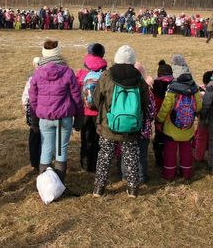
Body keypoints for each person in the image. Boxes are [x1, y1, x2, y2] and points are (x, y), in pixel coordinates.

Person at [91, 45, 149, 197]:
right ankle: (133, 189)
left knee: (105, 155)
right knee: (131, 155)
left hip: (108, 124)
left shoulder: (106, 76)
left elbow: (97, 98)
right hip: (132, 125)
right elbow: (145, 102)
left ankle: (99, 188)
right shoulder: (139, 79)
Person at [27, 39, 83, 183]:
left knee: (46, 149)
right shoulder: (67, 72)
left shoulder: (37, 73)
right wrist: (79, 116)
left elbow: (32, 99)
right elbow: (76, 97)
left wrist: (34, 119)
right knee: (60, 150)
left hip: (46, 119)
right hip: (63, 118)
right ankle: (58, 183)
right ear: (58, 53)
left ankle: (46, 184)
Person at [156, 54, 201, 182]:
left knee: (170, 151)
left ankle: (169, 174)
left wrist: (159, 119)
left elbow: (166, 107)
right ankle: (186, 173)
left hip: (171, 128)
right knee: (186, 150)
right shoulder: (194, 87)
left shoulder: (172, 88)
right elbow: (198, 106)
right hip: (188, 127)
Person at [76, 43, 107, 172]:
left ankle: (85, 163)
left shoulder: (82, 73)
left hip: (85, 112)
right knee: (98, 138)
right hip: (100, 112)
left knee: (85, 138)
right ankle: (96, 164)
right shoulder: (105, 74)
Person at [21, 57, 42, 170]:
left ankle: (35, 162)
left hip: (34, 112)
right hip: (46, 112)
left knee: (34, 136)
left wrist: (27, 111)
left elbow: (25, 98)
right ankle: (43, 161)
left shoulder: (32, 79)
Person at [152, 60, 173, 169]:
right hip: (171, 117)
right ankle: (169, 159)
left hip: (158, 117)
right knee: (169, 138)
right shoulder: (174, 85)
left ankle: (159, 159)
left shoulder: (154, 87)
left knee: (159, 137)